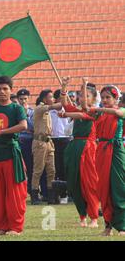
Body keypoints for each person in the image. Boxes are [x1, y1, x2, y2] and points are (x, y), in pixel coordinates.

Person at [0, 76, 28, 236]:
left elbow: (23, 125)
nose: (2, 92)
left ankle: (15, 227)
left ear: (10, 90)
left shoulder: (16, 108)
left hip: (11, 154)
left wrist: (2, 132)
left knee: (14, 192)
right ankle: (1, 225)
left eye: (5, 89)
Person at [60, 77, 99, 228]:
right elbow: (65, 104)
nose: (82, 98)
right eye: (81, 95)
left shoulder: (95, 112)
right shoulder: (75, 110)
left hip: (88, 149)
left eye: (86, 95)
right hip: (74, 148)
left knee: (89, 183)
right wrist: (64, 88)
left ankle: (94, 217)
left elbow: (82, 115)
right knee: (74, 182)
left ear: (94, 99)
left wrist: (84, 84)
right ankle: (82, 216)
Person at [89, 84, 125, 236]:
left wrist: (99, 109)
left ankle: (122, 225)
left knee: (119, 186)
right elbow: (83, 111)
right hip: (101, 151)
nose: (104, 100)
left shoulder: (121, 110)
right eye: (102, 98)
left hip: (116, 150)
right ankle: (108, 225)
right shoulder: (100, 114)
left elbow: (118, 112)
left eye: (108, 97)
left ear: (116, 98)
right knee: (104, 187)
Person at [31, 89, 62, 205]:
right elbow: (57, 106)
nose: (53, 99)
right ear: (44, 99)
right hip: (40, 142)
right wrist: (64, 98)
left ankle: (51, 196)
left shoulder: (48, 110)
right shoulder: (40, 108)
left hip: (49, 142)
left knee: (51, 170)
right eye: (50, 97)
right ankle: (34, 195)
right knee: (38, 170)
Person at [51, 90, 72, 193]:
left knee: (66, 165)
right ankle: (59, 192)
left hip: (65, 139)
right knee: (56, 166)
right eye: (60, 98)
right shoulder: (50, 112)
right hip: (54, 140)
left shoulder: (70, 111)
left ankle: (69, 191)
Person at [17, 89, 36, 195]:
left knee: (30, 166)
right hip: (18, 140)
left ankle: (30, 189)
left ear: (29, 99)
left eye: (25, 99)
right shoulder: (15, 111)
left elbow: (33, 127)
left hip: (29, 141)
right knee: (18, 166)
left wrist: (25, 116)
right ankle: (20, 189)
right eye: (21, 99)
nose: (23, 101)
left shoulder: (32, 112)